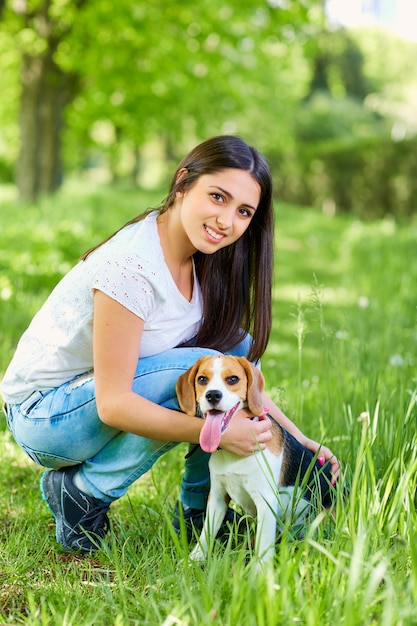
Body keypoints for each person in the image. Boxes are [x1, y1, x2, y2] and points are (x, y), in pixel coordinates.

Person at [1, 135, 340, 553]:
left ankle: (200, 515)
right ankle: (85, 492)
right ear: (182, 183)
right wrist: (212, 432)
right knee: (207, 364)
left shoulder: (203, 260)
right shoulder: (131, 267)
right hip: (45, 415)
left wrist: (297, 440)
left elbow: (240, 383)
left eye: (243, 211)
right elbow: (114, 404)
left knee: (231, 352)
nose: (226, 220)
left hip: (85, 404)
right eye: (217, 197)